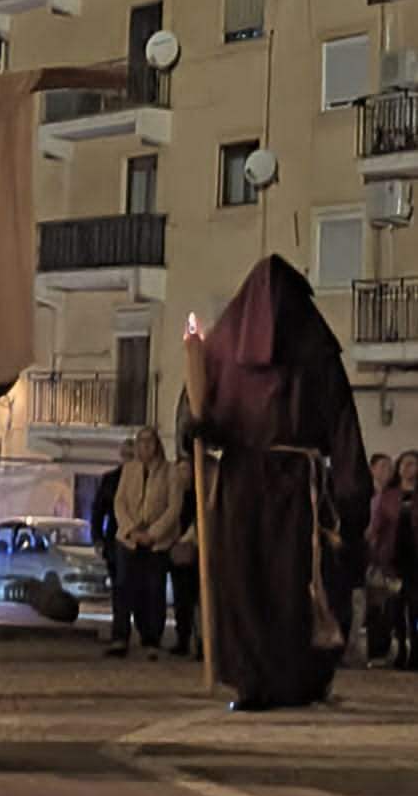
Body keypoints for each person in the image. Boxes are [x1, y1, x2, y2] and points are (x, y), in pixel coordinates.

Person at [198, 255, 371, 712]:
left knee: (290, 584)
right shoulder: (231, 349)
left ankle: (290, 678)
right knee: (252, 582)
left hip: (288, 489)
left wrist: (352, 496)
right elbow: (202, 411)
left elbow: (340, 425)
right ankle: (258, 679)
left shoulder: (305, 350)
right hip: (259, 485)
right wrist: (197, 429)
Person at [110, 426, 181, 657]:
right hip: (129, 539)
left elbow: (173, 508)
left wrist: (153, 533)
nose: (145, 446)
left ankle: (152, 639)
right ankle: (120, 636)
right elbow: (119, 502)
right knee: (123, 588)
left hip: (156, 542)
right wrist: (131, 530)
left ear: (158, 444)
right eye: (141, 442)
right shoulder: (129, 471)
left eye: (149, 442)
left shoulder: (171, 473)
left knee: (153, 590)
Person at [369, 449, 418, 669]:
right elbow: (378, 526)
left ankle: (416, 649)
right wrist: (374, 552)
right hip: (394, 557)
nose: (407, 468)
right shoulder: (389, 495)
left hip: (416, 558)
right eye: (404, 464)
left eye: (412, 464)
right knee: (396, 606)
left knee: (415, 607)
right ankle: (400, 648)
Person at [91, 438, 135, 644]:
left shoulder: (147, 477)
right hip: (115, 538)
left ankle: (144, 632)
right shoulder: (111, 479)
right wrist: (97, 538)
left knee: (138, 586)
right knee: (120, 586)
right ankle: (120, 631)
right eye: (126, 454)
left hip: (141, 536)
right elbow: (98, 510)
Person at [366, 452, 397, 666]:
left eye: (390, 466)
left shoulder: (392, 496)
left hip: (386, 555)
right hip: (364, 552)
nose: (387, 470)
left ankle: (380, 649)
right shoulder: (365, 493)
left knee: (384, 604)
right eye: (383, 466)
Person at [168, 458, 200, 657]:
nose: (182, 474)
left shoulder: (198, 495)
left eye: (186, 469)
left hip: (195, 550)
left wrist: (187, 538)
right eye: (179, 470)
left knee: (197, 600)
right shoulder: (173, 495)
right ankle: (183, 640)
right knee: (181, 600)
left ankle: (201, 643)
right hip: (176, 550)